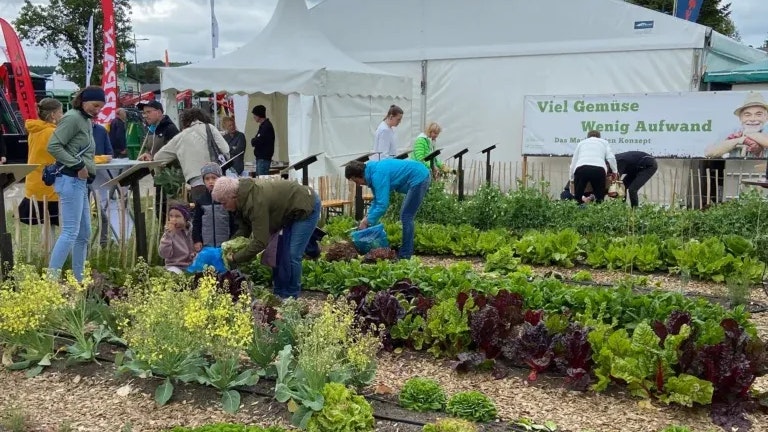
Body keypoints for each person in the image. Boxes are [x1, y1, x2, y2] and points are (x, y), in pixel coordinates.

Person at [211, 176, 320, 299]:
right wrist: (230, 246)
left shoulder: (256, 203)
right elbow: (244, 229)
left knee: (292, 254)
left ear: (233, 196)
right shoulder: (242, 200)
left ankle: (291, 296)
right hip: (287, 212)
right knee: (278, 252)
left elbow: (260, 242)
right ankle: (279, 292)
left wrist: (236, 257)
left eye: (224, 203)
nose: (223, 207)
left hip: (306, 206)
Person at [47, 86, 105, 282]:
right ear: (83, 101)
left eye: (100, 107)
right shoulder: (72, 118)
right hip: (70, 179)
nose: (97, 110)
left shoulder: (84, 120)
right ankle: (51, 280)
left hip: (79, 181)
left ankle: (79, 278)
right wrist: (78, 164)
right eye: (95, 105)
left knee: (84, 233)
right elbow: (53, 146)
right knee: (70, 231)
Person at [344, 159, 430, 260]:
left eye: (355, 181)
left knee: (406, 216)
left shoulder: (378, 175)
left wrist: (367, 221)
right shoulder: (372, 173)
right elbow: (377, 200)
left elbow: (382, 206)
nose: (358, 184)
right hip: (417, 175)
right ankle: (405, 252)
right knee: (405, 215)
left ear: (358, 175)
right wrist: (367, 218)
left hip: (419, 177)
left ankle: (405, 255)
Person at [143, 107, 230, 203]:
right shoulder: (210, 128)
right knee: (221, 209)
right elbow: (226, 150)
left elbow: (158, 157)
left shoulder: (180, 137)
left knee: (201, 210)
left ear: (185, 121)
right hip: (216, 180)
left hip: (196, 183)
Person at [20, 98, 63, 244]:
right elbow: (69, 155)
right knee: (60, 225)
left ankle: (47, 254)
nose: (62, 115)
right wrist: (100, 159)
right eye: (60, 112)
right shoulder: (53, 132)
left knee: (46, 225)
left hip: (35, 183)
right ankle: (57, 255)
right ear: (53, 115)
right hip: (50, 184)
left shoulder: (34, 130)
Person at [136, 100, 180, 225]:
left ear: (159, 112)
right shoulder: (151, 129)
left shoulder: (170, 129)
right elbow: (150, 149)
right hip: (158, 176)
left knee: (168, 210)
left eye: (148, 112)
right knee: (159, 210)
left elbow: (174, 153)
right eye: (144, 113)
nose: (145, 116)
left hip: (170, 178)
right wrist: (147, 154)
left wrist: (154, 159)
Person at [705, 93, 768, 159]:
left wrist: (748, 133)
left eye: (758, 115)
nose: (753, 119)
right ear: (740, 118)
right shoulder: (732, 131)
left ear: (766, 117)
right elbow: (709, 153)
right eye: (747, 115)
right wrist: (740, 140)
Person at [192, 163, 236, 252]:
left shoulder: (226, 198)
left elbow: (233, 221)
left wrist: (233, 239)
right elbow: (196, 222)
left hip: (226, 244)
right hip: (206, 245)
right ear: (203, 181)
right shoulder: (201, 201)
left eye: (214, 178)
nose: (210, 181)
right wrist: (197, 240)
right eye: (207, 179)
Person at [569, 130, 618, 204]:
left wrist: (571, 178)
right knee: (599, 198)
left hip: (581, 168)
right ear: (599, 137)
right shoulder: (604, 142)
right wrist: (615, 171)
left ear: (587, 137)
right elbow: (611, 158)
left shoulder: (581, 143)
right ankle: (598, 209)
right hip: (599, 169)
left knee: (578, 197)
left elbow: (574, 162)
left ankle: (578, 208)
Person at [91, 123, 114, 246]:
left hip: (99, 177)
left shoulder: (100, 130)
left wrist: (102, 159)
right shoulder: (73, 129)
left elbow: (109, 153)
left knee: (103, 212)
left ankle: (103, 242)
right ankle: (84, 245)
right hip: (79, 178)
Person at [159, 202, 195, 274]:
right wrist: (168, 236)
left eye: (177, 216)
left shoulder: (192, 231)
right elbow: (164, 254)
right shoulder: (169, 233)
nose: (173, 219)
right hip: (175, 266)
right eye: (171, 216)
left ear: (185, 218)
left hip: (192, 265)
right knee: (174, 273)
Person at [251, 105, 275, 175]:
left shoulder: (266, 127)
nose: (254, 117)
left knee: (261, 179)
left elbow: (257, 141)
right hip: (262, 158)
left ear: (259, 115)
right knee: (259, 178)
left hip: (263, 158)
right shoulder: (264, 126)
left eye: (255, 115)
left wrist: (253, 140)